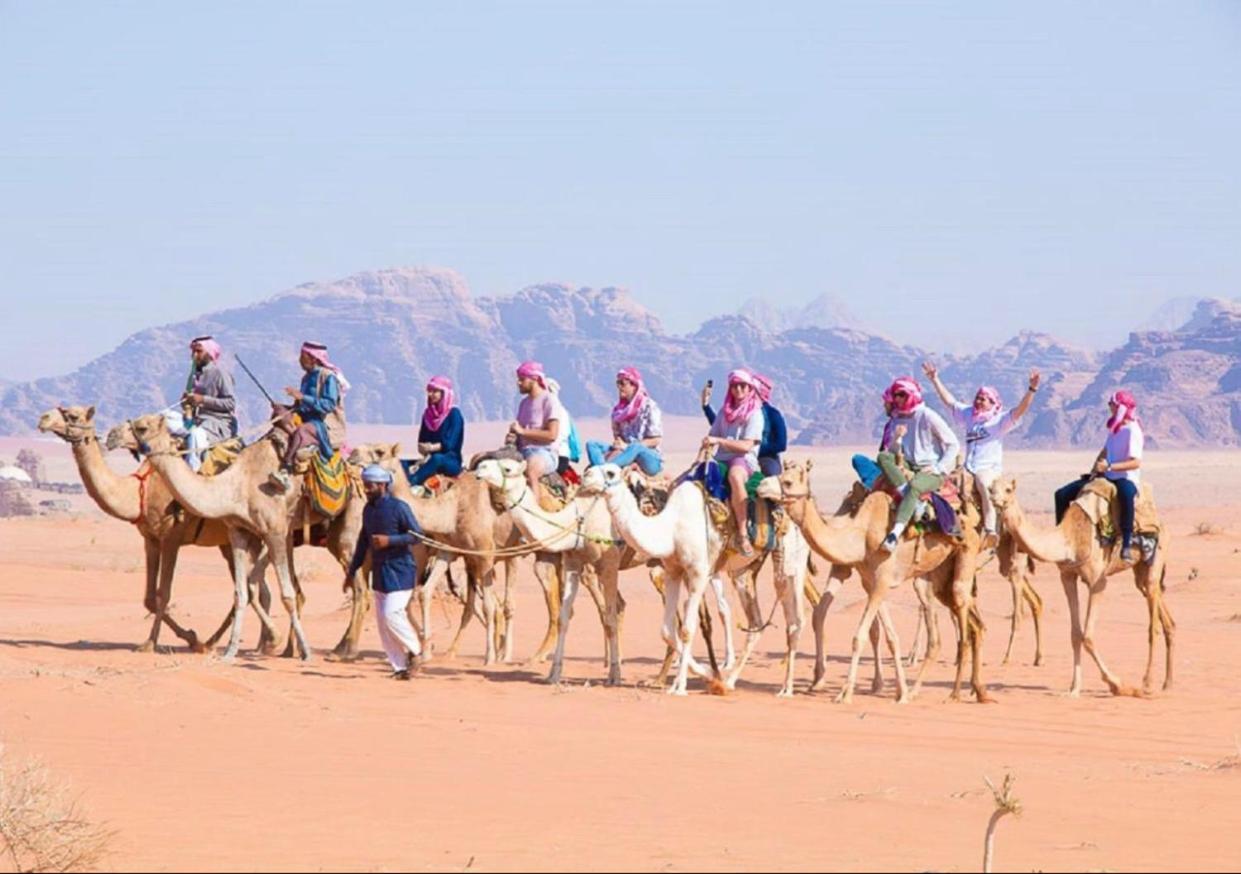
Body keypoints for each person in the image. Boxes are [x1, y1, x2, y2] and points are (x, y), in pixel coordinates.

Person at [922, 362, 1041, 544]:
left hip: (987, 468)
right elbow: (949, 402)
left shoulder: (999, 421)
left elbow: (1019, 411)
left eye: (983, 399)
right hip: (968, 466)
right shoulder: (969, 415)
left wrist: (1031, 389)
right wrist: (935, 380)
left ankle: (990, 528)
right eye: (978, 397)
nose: (978, 401)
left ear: (993, 403)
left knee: (984, 485)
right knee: (945, 482)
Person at [343, 464, 425, 680]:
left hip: (401, 570)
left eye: (369, 485)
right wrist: (352, 572)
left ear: (382, 485)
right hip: (379, 573)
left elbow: (417, 535)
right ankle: (399, 667)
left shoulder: (399, 507)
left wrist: (391, 540)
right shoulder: (368, 510)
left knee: (392, 614)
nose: (366, 489)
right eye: (365, 485)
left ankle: (416, 651)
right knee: (383, 625)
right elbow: (363, 541)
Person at [1053, 391, 1144, 562]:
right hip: (1106, 474)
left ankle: (1126, 541)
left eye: (1113, 404)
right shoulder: (1114, 429)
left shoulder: (1133, 430)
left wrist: (1110, 466)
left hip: (1125, 477)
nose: (1110, 407)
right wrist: (1095, 470)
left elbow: (1136, 462)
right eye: (1110, 404)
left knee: (1126, 495)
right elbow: (1105, 451)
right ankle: (1062, 533)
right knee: (1062, 494)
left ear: (1122, 407)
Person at [876, 377, 961, 552]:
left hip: (930, 470)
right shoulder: (897, 419)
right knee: (883, 457)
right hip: (908, 465)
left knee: (915, 485)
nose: (897, 399)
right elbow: (892, 451)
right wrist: (896, 438)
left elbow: (953, 444)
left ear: (910, 395)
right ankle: (913, 502)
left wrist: (939, 467)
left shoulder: (927, 415)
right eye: (895, 395)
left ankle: (894, 534)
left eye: (901, 394)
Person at [702, 369, 765, 557]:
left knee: (735, 476)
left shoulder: (755, 414)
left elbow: (746, 446)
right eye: (734, 385)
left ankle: (743, 533)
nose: (738, 389)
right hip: (721, 458)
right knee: (698, 477)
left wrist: (719, 442)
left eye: (742, 385)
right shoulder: (724, 412)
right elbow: (712, 435)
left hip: (743, 459)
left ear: (749, 388)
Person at [270, 341, 348, 491]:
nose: (299, 360)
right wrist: (284, 407)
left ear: (313, 358)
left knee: (302, 430)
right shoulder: (306, 378)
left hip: (325, 425)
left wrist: (302, 397)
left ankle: (286, 467)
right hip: (306, 418)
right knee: (279, 413)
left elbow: (328, 405)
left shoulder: (328, 377)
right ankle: (302, 442)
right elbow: (301, 406)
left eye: (302, 356)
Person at [166, 336, 238, 472]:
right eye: (193, 352)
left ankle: (193, 472)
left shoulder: (219, 373)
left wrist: (202, 399)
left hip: (217, 423)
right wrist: (187, 403)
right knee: (163, 419)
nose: (194, 355)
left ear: (209, 354)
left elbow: (230, 403)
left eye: (198, 352)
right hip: (196, 420)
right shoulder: (194, 376)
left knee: (196, 435)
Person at [701, 369, 787, 475]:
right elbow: (725, 429)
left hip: (764, 456)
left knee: (772, 480)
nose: (739, 390)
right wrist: (706, 407)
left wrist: (754, 448)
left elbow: (781, 444)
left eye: (744, 386)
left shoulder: (772, 414)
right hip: (737, 452)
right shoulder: (736, 410)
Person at [586, 366, 664, 476]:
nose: (619, 387)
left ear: (634, 385)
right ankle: (602, 468)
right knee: (592, 444)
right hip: (625, 452)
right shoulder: (618, 411)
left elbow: (656, 439)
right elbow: (618, 437)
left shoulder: (649, 406)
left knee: (636, 446)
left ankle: (604, 471)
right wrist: (619, 444)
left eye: (622, 383)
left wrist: (628, 447)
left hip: (649, 456)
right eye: (617, 383)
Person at [508, 360, 567, 489]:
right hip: (522, 451)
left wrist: (523, 432)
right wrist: (513, 438)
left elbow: (552, 435)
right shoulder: (524, 403)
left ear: (534, 379)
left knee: (531, 470)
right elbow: (520, 433)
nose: (518, 383)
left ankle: (534, 506)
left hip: (544, 452)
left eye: (522, 379)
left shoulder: (549, 400)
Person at [411, 375, 464, 489]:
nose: (431, 394)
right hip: (429, 459)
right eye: (429, 391)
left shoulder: (454, 414)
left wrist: (432, 448)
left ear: (444, 393)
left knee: (437, 459)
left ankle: (411, 484)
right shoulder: (427, 415)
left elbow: (450, 444)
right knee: (402, 463)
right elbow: (422, 440)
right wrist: (422, 447)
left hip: (450, 461)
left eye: (435, 391)